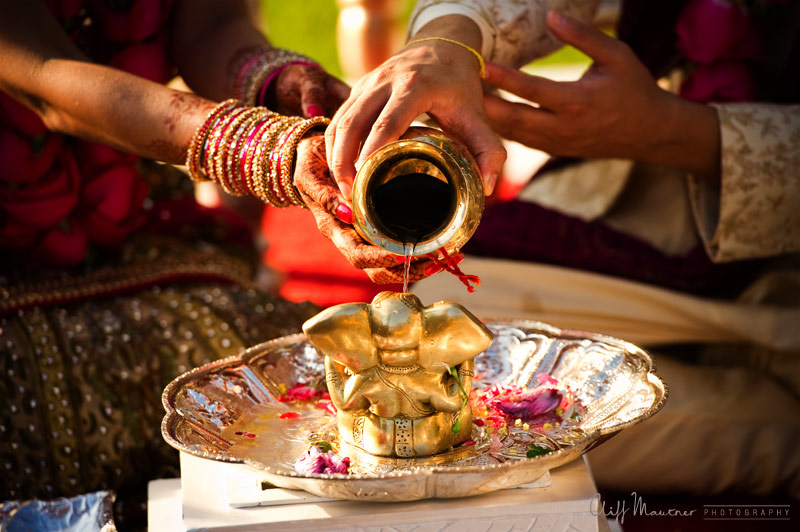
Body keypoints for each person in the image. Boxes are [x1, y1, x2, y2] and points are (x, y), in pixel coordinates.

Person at [328, 0, 800, 499]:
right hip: (654, 208)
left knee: (504, 412)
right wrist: (448, 40)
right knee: (450, 328)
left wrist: (674, 133)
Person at [0, 0, 427, 528]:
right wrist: (267, 148)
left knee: (301, 382)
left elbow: (213, 26)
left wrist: (280, 82)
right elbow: (41, 79)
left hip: (129, 231)